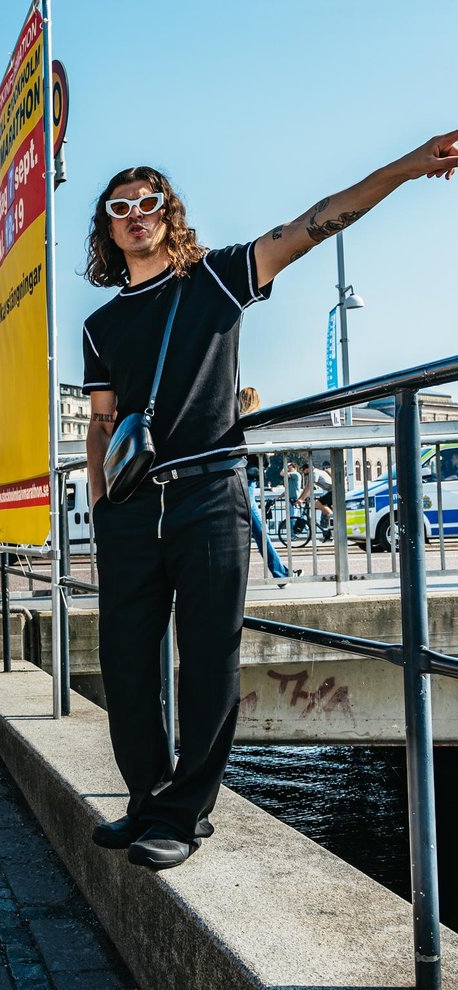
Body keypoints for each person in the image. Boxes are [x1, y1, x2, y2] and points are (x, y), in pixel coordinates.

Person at [83, 130, 458, 870]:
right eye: (119, 206)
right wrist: (100, 508)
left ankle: (185, 814)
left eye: (147, 202)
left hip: (209, 497)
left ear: (168, 213)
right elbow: (101, 422)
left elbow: (317, 222)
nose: (135, 215)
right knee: (125, 662)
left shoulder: (218, 278)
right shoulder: (101, 324)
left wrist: (406, 167)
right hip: (130, 511)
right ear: (107, 225)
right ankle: (147, 798)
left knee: (211, 657)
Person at [237, 388, 295, 586]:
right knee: (258, 530)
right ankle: (281, 574)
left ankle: (281, 573)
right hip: (247, 481)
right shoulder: (256, 421)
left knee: (251, 529)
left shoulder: (234, 419)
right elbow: (265, 451)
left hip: (234, 479)